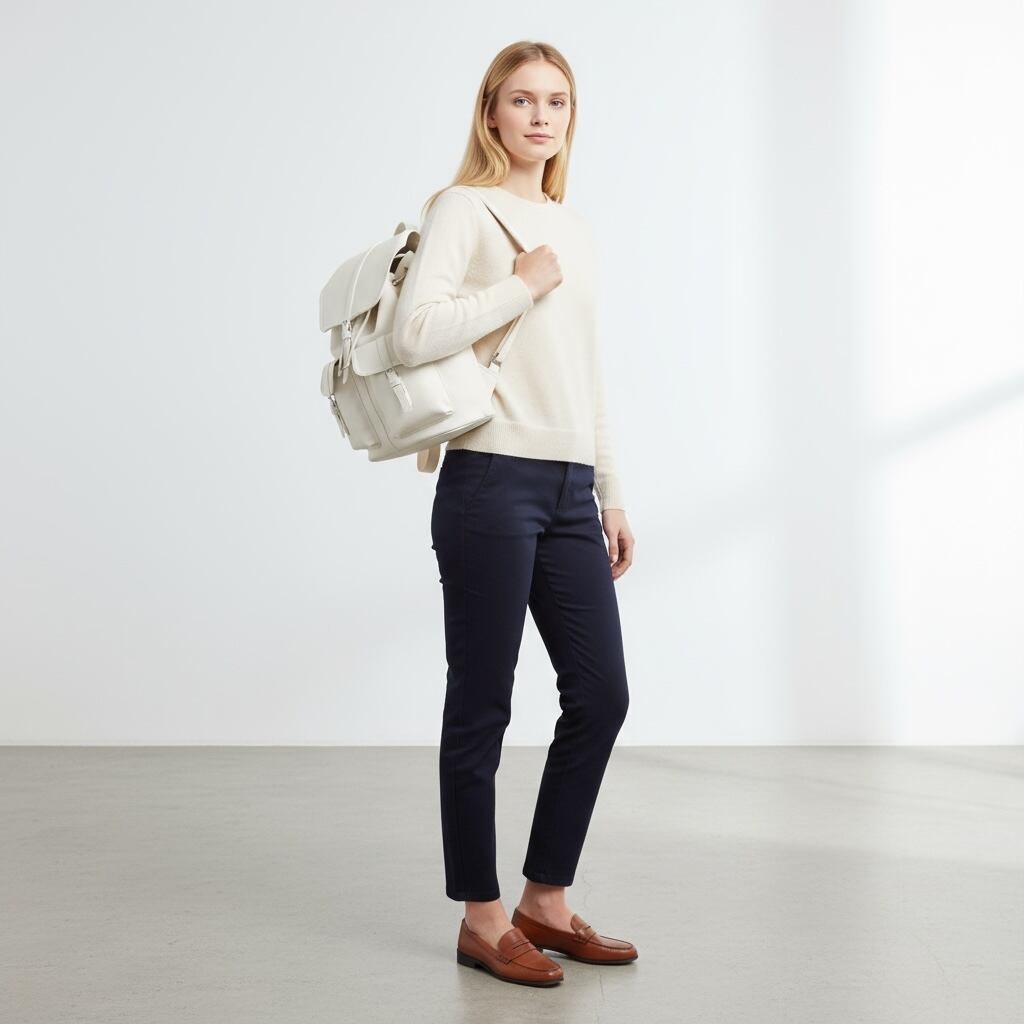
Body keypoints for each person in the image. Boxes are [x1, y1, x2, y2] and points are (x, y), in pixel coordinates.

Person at [392, 40, 638, 987]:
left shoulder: (573, 228)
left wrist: (610, 490)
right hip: (489, 479)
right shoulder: (462, 208)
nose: (541, 117)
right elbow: (414, 333)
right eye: (523, 100)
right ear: (491, 111)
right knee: (482, 704)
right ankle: (482, 916)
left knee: (602, 695)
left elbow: (586, 372)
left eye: (557, 102)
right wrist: (519, 284)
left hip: (569, 488)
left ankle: (546, 900)